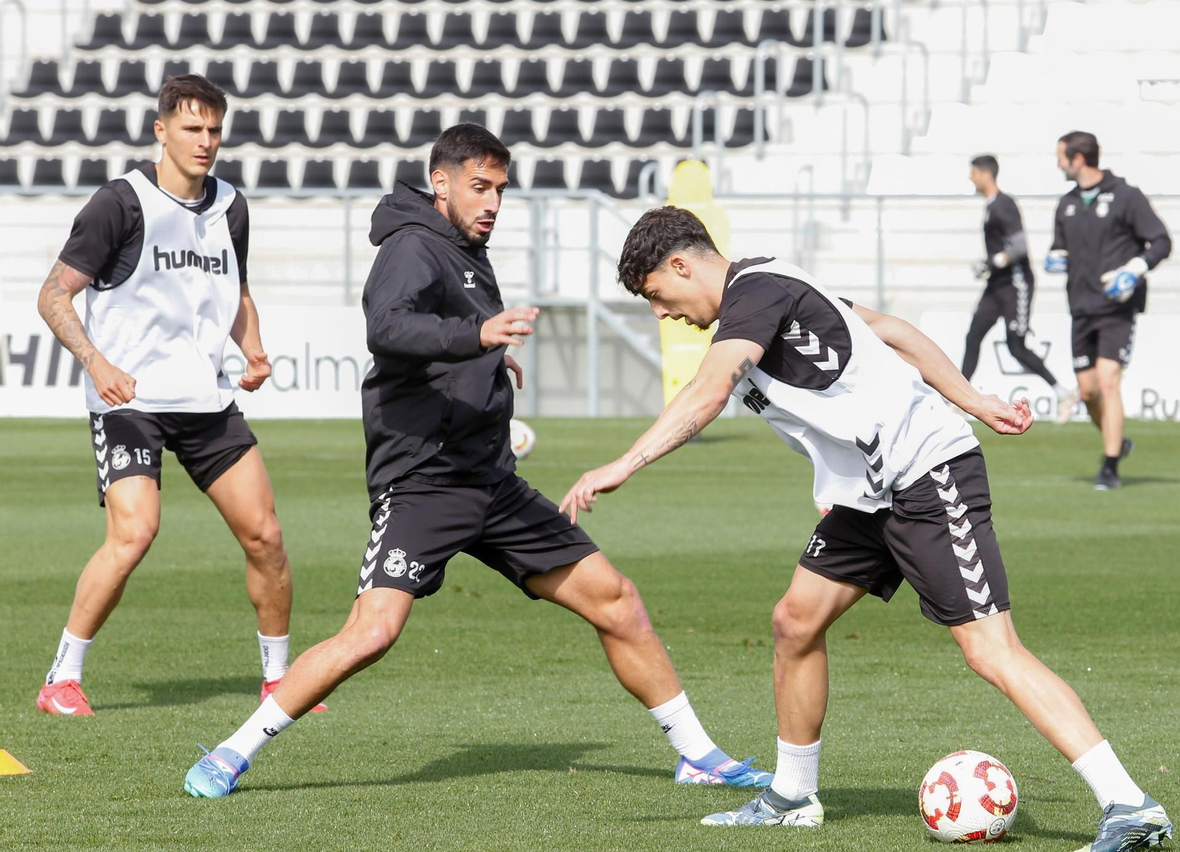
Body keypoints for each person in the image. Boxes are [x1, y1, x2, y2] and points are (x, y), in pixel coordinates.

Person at [560, 206, 1173, 852]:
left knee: (990, 650)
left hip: (927, 474)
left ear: (681, 264)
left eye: (657, 294)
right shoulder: (775, 285)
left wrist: (626, 462)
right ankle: (792, 797)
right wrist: (975, 400)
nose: (662, 312)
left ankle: (1130, 804)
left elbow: (711, 388)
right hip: (868, 496)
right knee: (795, 622)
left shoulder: (756, 293)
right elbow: (891, 333)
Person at [183, 125, 770, 797]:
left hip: (491, 480)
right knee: (372, 632)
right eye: (479, 187)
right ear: (442, 183)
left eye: (500, 190)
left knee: (617, 601)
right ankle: (233, 750)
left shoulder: (464, 249)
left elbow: (448, 339)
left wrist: (487, 358)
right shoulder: (411, 246)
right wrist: (478, 334)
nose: (491, 202)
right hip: (426, 482)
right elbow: (387, 327)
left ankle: (696, 753)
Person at [33, 73, 302, 717]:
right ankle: (60, 680)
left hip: (206, 400)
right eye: (191, 128)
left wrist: (253, 347)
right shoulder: (119, 203)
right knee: (135, 532)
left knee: (265, 535)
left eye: (214, 129)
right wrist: (96, 363)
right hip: (129, 402)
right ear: (161, 131)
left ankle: (279, 680)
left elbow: (235, 291)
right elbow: (53, 295)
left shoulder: (231, 205)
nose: (205, 141)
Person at [1049, 132, 1172, 489]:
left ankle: (1111, 465)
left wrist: (1133, 269)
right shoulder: (1067, 203)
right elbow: (1060, 247)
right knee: (1087, 392)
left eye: (1061, 157)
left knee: (1107, 381)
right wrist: (1057, 257)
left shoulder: (1126, 197)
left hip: (1117, 307)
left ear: (1078, 159)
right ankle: (1117, 440)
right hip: (1081, 306)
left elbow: (1161, 241)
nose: (1057, 164)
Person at [960, 155, 1074, 413]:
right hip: (997, 285)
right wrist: (989, 264)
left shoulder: (1004, 204)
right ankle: (959, 399)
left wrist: (993, 262)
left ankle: (1062, 392)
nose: (971, 178)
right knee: (974, 335)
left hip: (1016, 284)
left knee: (1016, 345)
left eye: (973, 173)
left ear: (986, 174)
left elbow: (1019, 247)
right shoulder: (991, 206)